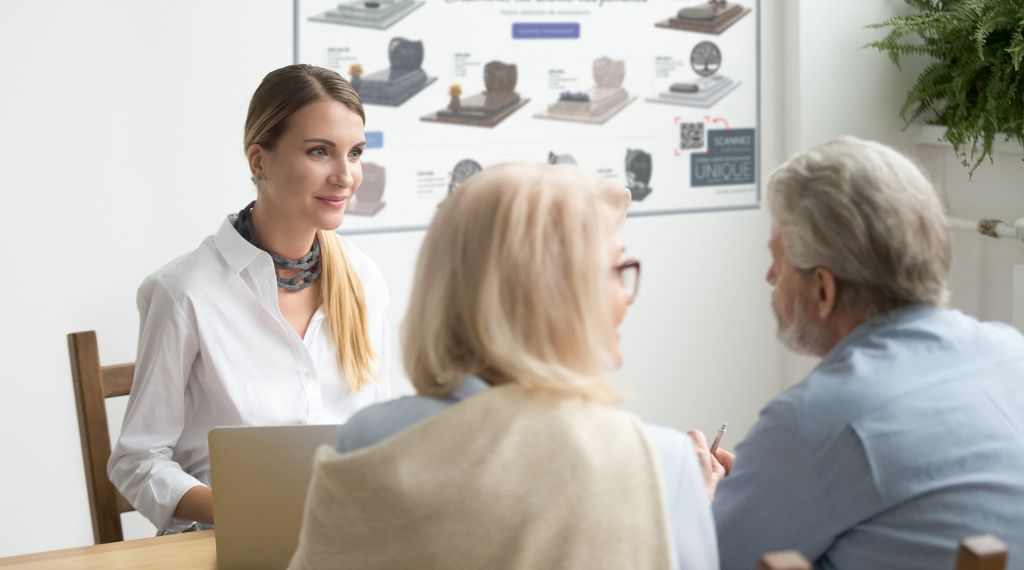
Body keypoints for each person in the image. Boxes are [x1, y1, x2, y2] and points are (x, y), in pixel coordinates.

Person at [289, 163, 719, 570]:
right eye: (614, 271)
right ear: (558, 295)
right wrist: (686, 505)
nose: (625, 295)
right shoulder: (660, 464)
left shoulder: (364, 440)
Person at [695, 137, 1024, 569]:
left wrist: (701, 505)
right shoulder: (1012, 352)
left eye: (778, 259)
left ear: (824, 289)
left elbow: (707, 561)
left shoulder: (812, 420)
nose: (769, 276)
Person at [108, 64, 391, 534]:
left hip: (345, 540)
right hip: (230, 544)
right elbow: (137, 462)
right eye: (320, 152)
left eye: (355, 153)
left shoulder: (365, 279)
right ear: (259, 160)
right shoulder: (184, 291)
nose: (346, 176)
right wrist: (249, 511)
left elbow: (381, 434)